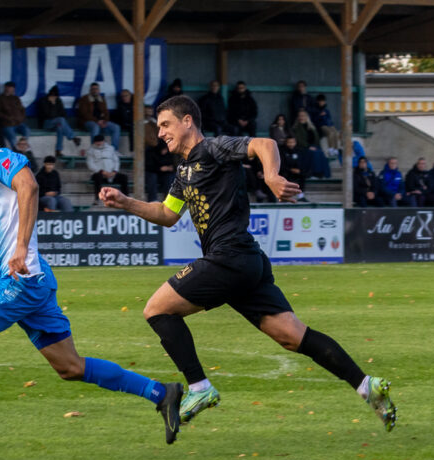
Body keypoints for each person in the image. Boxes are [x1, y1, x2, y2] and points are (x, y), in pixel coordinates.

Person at [98, 95, 396, 434]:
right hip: (245, 262)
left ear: (187, 122)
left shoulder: (214, 149)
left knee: (156, 310)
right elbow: (167, 214)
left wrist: (271, 176)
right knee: (292, 336)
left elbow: (264, 143)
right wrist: (125, 202)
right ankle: (365, 384)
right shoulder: (183, 170)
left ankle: (198, 387)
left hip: (228, 258)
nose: (161, 132)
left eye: (165, 124)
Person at [0, 107, 183, 460]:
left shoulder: (0, 159)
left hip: (22, 283)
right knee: (70, 367)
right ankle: (162, 393)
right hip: (31, 280)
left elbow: (29, 184)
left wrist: (20, 248)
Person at [37, 85, 80, 157]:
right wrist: (52, 105)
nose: (54, 98)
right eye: (53, 96)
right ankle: (73, 137)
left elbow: (63, 114)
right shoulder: (43, 101)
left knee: (60, 128)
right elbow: (48, 115)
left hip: (56, 124)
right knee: (60, 120)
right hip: (46, 124)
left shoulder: (58, 101)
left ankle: (58, 151)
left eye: (55, 96)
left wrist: (57, 115)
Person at [77, 82, 121, 151]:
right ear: (90, 90)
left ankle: (114, 150)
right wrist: (97, 121)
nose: (95, 90)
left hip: (101, 122)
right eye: (93, 89)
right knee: (95, 127)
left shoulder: (102, 99)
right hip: (88, 122)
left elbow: (106, 112)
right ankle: (94, 150)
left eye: (96, 89)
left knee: (116, 127)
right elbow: (84, 114)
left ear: (99, 90)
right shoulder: (84, 99)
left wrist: (105, 121)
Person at [291, 109, 331, 178]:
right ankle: (315, 173)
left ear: (307, 117)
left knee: (320, 152)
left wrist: (315, 146)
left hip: (313, 146)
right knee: (314, 153)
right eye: (300, 116)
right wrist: (308, 146)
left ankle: (322, 173)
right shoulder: (296, 128)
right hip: (302, 148)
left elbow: (317, 139)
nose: (301, 117)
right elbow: (299, 140)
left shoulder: (311, 127)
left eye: (303, 116)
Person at [0, 81, 30, 150]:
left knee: (26, 131)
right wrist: (7, 118)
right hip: (7, 124)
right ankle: (16, 152)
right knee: (13, 138)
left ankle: (23, 149)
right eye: (9, 88)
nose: (11, 90)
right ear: (6, 88)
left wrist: (21, 118)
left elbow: (22, 110)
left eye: (12, 88)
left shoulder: (16, 98)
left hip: (18, 123)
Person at [88, 134, 127, 200]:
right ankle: (98, 198)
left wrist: (114, 171)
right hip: (99, 173)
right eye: (97, 141)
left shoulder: (111, 148)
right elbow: (90, 164)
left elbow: (116, 161)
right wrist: (102, 172)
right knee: (97, 177)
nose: (99, 143)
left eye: (100, 141)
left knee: (124, 178)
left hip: (112, 173)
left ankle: (125, 198)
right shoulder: (90, 151)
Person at [145, 134, 175, 203]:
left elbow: (172, 165)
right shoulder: (150, 151)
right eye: (163, 149)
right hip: (153, 172)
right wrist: (160, 169)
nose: (165, 151)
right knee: (152, 177)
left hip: (164, 174)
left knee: (171, 176)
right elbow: (149, 166)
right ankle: (153, 199)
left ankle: (169, 199)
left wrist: (168, 168)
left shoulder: (169, 152)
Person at [279, 137, 308, 202]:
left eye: (293, 142)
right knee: (285, 176)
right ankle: (285, 196)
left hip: (296, 171)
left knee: (302, 175)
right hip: (285, 170)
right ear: (286, 143)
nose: (291, 144)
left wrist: (298, 169)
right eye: (289, 142)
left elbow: (302, 162)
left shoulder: (299, 151)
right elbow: (281, 164)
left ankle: (301, 196)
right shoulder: (282, 151)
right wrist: (290, 169)